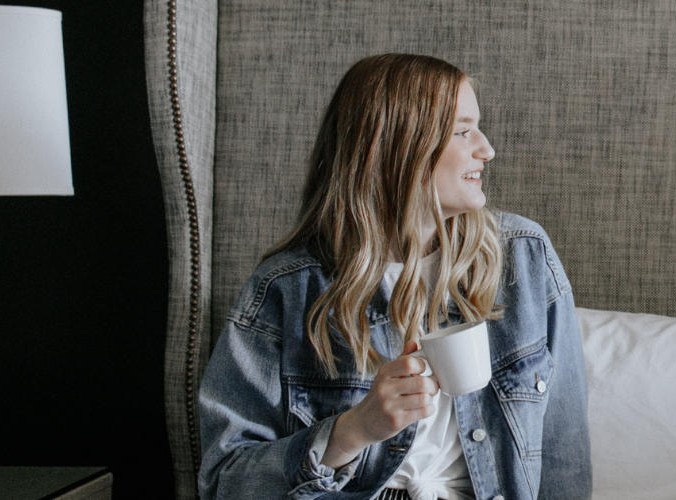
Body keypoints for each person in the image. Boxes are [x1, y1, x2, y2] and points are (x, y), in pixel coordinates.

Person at [197, 54, 590, 500]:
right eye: (463, 131)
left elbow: (563, 453)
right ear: (398, 149)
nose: (487, 149)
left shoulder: (524, 258)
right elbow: (223, 480)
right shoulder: (288, 289)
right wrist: (350, 432)